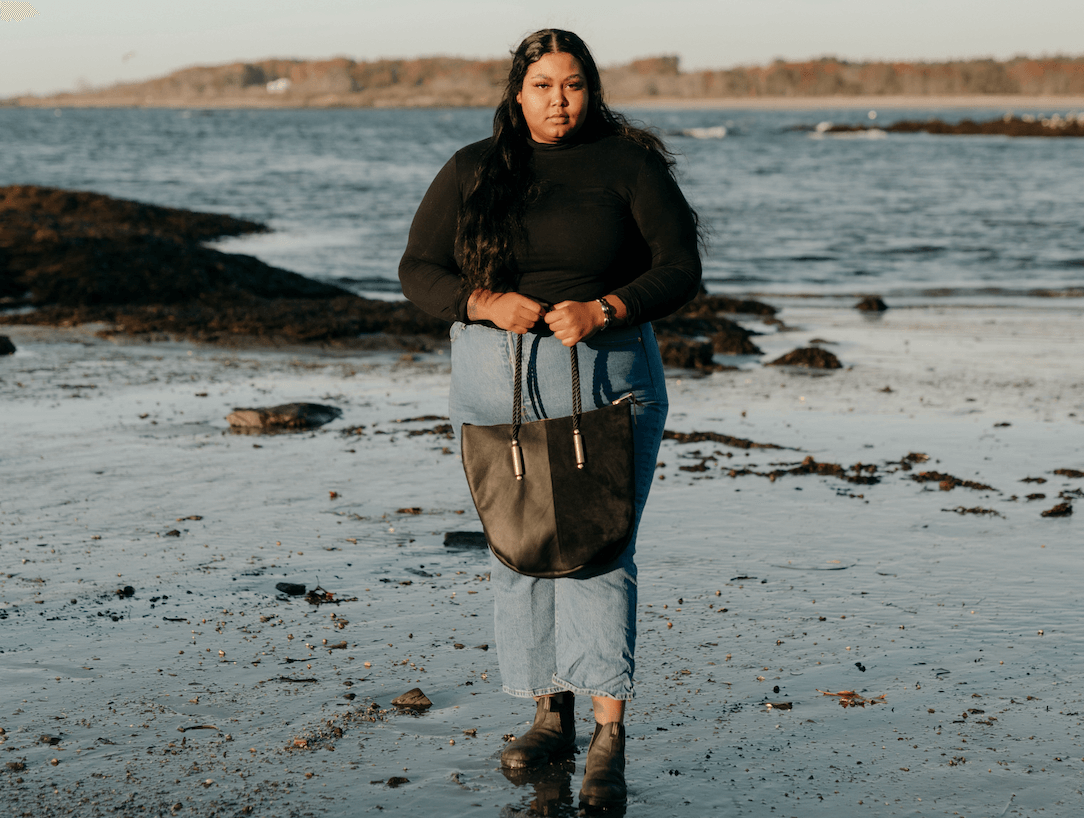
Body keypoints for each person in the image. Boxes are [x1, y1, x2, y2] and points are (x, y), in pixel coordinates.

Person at [398, 28, 701, 807]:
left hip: (604, 379)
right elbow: (416, 271)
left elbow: (681, 268)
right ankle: (549, 713)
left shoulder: (628, 166)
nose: (558, 101)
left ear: (591, 89)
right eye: (542, 86)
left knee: (599, 553)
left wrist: (607, 306)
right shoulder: (473, 169)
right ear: (517, 92)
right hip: (492, 387)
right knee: (522, 546)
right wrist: (481, 300)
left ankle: (609, 733)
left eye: (572, 85)